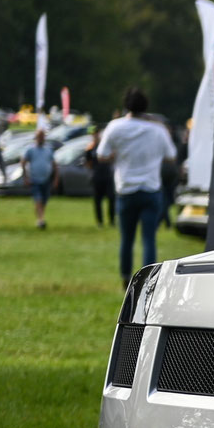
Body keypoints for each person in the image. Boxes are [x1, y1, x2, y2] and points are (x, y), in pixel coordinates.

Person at [98, 88, 175, 288]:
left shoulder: (115, 127)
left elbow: (101, 155)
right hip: (151, 188)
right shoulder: (157, 129)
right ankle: (148, 281)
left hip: (126, 189)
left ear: (126, 106)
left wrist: (118, 154)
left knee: (127, 239)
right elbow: (171, 156)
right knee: (149, 238)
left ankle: (125, 277)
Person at [23, 129, 59, 229]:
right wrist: (25, 176)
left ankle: (40, 218)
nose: (41, 139)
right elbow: (23, 162)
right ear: (36, 138)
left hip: (46, 180)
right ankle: (41, 220)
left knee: (44, 200)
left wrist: (56, 178)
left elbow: (55, 165)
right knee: (38, 199)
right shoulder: (30, 150)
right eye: (39, 137)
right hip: (34, 180)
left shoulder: (48, 150)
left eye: (42, 137)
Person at [86, 128, 115, 226]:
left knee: (111, 198)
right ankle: (100, 221)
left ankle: (112, 220)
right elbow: (88, 162)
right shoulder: (90, 148)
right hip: (97, 176)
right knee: (97, 200)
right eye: (93, 134)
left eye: (97, 134)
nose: (95, 136)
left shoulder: (105, 146)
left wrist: (106, 159)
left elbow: (112, 157)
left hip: (107, 175)